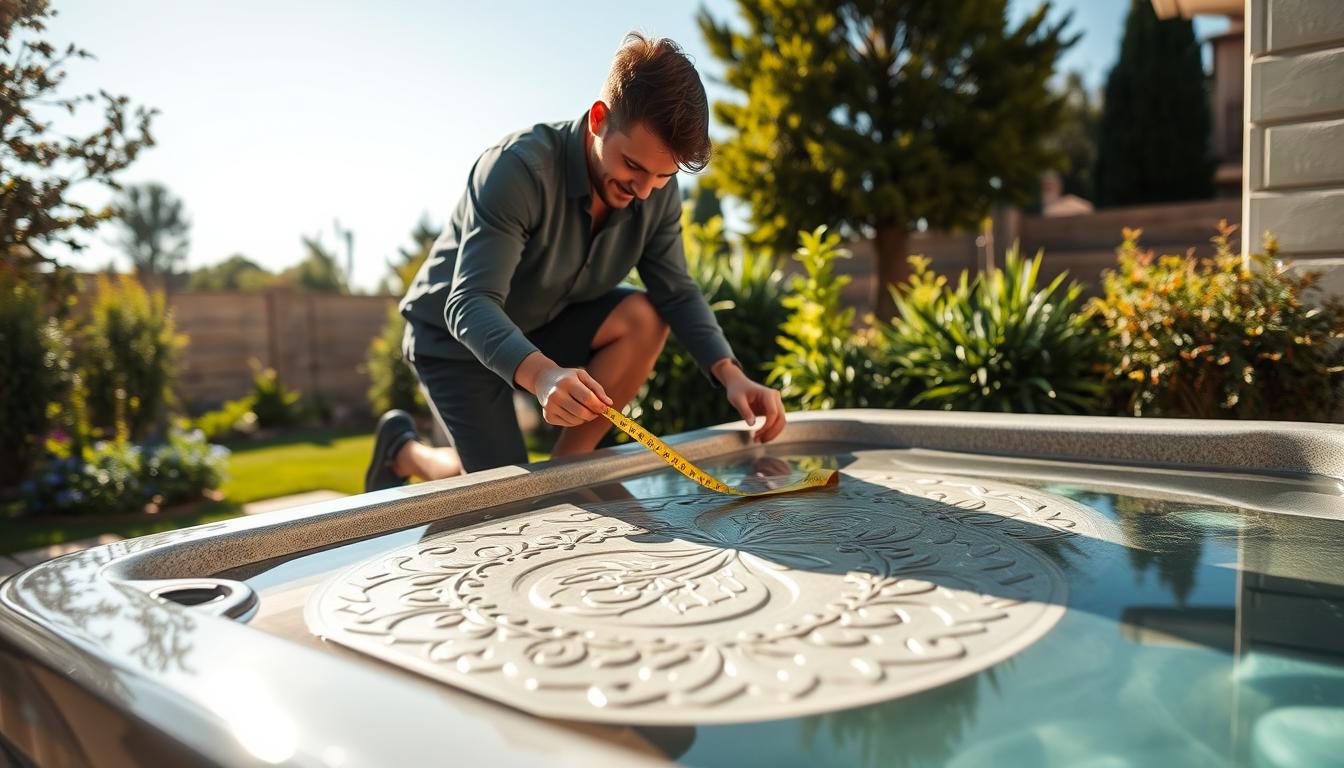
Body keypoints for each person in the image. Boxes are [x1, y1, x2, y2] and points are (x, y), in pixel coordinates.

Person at [364, 32, 787, 492]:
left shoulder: (656, 194)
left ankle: (565, 476)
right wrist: (542, 374)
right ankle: (406, 450)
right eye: (633, 167)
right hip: (455, 340)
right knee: (501, 495)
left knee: (644, 318)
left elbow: (677, 291)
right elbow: (469, 302)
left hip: (545, 323)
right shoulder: (517, 170)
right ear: (599, 119)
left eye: (662, 177)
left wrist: (732, 375)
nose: (644, 192)